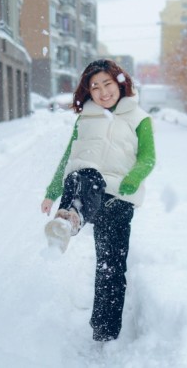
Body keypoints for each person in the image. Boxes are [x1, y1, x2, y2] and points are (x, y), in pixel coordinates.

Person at [40, 59, 156, 342]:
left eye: (107, 84)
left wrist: (132, 179)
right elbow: (68, 157)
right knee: (87, 173)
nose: (103, 92)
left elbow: (148, 157)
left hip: (118, 198)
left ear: (119, 83)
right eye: (95, 87)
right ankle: (69, 219)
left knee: (111, 265)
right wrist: (51, 192)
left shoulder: (139, 118)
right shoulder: (85, 118)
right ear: (88, 92)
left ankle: (104, 330)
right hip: (83, 187)